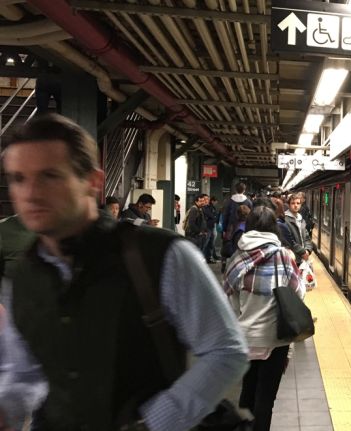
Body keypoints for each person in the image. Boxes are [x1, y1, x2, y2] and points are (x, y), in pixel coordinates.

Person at [0, 113, 248, 431]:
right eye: (18, 178)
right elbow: (24, 373)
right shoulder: (24, 276)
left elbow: (225, 350)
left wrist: (152, 423)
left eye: (50, 176)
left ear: (93, 181)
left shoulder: (159, 256)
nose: (31, 193)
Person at [223, 206, 304, 431]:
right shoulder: (284, 256)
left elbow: (231, 300)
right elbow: (298, 293)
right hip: (275, 338)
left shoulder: (237, 257)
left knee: (247, 392)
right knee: (265, 399)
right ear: (273, 228)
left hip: (246, 337)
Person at [283, 194, 313, 266]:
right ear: (289, 205)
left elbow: (307, 237)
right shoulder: (285, 220)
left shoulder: (301, 219)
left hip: (303, 258)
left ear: (300, 205)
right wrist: (303, 252)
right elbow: (289, 241)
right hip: (292, 259)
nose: (296, 205)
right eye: (293, 203)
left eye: (298, 203)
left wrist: (308, 250)